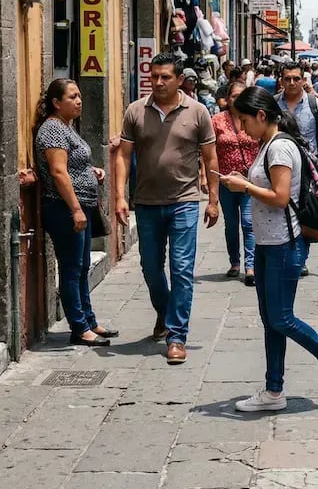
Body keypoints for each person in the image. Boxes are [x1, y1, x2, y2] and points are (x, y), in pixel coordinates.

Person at [220, 87, 318, 412]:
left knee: (282, 318)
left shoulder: (279, 148)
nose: (242, 128)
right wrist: (246, 179)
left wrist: (245, 186)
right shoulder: (268, 144)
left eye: (245, 121)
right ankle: (273, 390)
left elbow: (280, 197)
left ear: (261, 116)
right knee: (271, 319)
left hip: (283, 244)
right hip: (268, 244)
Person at [115, 54, 220, 366]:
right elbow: (123, 156)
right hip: (146, 203)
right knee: (150, 267)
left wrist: (213, 200)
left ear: (179, 80)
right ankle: (165, 309)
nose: (158, 82)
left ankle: (176, 336)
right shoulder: (136, 111)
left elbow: (211, 159)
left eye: (165, 77)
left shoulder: (198, 112)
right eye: (154, 76)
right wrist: (120, 196)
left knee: (182, 270)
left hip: (184, 201)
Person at [35, 80, 117, 347]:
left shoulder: (66, 128)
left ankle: (89, 321)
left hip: (79, 205)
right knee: (71, 269)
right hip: (64, 208)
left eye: (80, 95)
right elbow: (58, 172)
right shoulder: (52, 129)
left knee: (81, 268)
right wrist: (76, 209)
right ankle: (80, 328)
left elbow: (71, 165)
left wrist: (92, 171)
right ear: (57, 103)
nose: (79, 100)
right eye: (73, 97)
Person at [212, 81, 260, 285]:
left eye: (241, 95)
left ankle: (251, 267)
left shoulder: (254, 118)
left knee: (249, 224)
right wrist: (207, 178)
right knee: (231, 224)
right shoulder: (217, 121)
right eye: (234, 96)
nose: (237, 99)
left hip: (250, 180)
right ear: (227, 99)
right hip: (226, 181)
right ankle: (234, 262)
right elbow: (209, 151)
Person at [275, 62, 318, 185]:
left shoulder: (315, 104)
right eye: (287, 79)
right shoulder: (273, 104)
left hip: (309, 167)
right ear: (281, 81)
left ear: (303, 80)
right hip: (279, 165)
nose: (292, 83)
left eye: (296, 79)